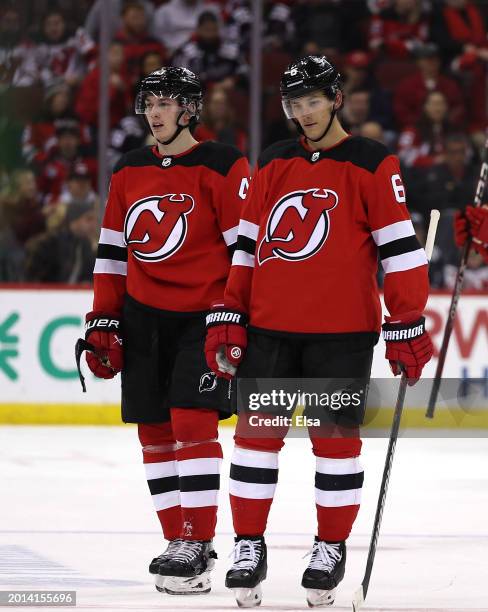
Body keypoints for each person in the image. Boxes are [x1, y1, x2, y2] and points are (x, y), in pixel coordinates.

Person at [204, 55, 434, 607]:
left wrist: (404, 320)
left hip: (341, 335)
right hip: (270, 331)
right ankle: (248, 545)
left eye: (312, 100)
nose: (303, 113)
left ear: (335, 99)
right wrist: (231, 309)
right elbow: (247, 245)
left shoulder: (374, 162)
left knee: (334, 445)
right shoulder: (274, 160)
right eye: (294, 104)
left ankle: (330, 547)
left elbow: (400, 252)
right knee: (256, 443)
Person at [76, 67, 250, 596]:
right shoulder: (128, 169)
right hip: (143, 314)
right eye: (150, 102)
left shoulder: (222, 164)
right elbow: (111, 253)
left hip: (205, 316)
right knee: (153, 429)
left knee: (193, 422)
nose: (156, 112)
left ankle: (198, 539)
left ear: (190, 109)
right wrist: (103, 318)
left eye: (168, 102)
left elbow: (245, 251)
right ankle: (177, 542)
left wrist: (233, 310)